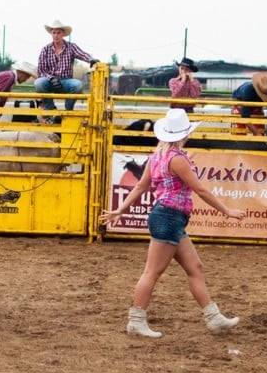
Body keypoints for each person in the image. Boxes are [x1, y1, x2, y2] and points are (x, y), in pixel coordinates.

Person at [99, 108, 244, 338]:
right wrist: (226, 210)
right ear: (184, 134)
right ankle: (136, 320)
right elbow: (200, 189)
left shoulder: (157, 156)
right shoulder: (178, 159)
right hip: (170, 217)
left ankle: (213, 317)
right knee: (152, 272)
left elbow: (140, 186)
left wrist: (121, 209)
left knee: (194, 267)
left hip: (168, 217)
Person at [33, 20, 99, 115]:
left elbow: (82, 54)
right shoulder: (45, 49)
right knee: (39, 83)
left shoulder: (71, 47)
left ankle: (68, 111)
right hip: (50, 81)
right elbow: (41, 71)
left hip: (66, 81)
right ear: (51, 34)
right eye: (54, 33)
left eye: (58, 33)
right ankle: (50, 108)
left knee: (78, 85)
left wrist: (91, 59)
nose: (56, 35)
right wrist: (51, 78)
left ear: (63, 34)